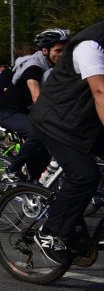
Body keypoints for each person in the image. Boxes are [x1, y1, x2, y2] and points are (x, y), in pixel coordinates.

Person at [29, 21, 104, 261]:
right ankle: (51, 232)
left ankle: (78, 220)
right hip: (57, 122)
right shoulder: (90, 46)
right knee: (85, 175)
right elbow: (100, 92)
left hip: (83, 123)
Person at [0, 29, 70, 184]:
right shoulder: (33, 67)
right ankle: (11, 170)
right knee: (36, 133)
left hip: (25, 111)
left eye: (64, 50)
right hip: (8, 111)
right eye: (58, 50)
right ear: (45, 50)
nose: (62, 54)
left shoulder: (52, 66)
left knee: (43, 150)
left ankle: (34, 185)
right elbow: (37, 96)